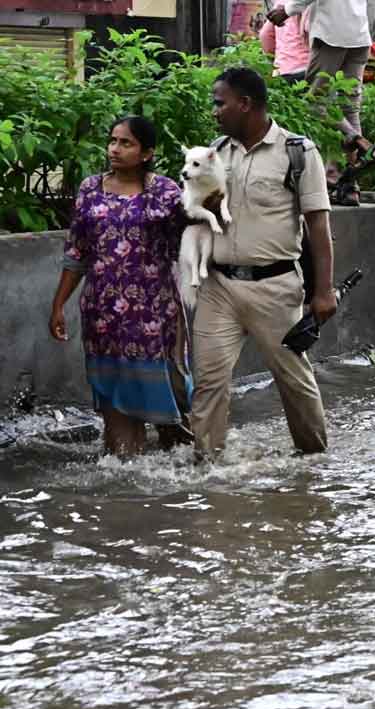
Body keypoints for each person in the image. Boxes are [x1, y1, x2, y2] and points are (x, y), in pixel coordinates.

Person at [191, 67, 336, 457]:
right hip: (219, 287)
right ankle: (206, 466)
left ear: (245, 104)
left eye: (220, 103)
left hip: (275, 287)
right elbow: (197, 215)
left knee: (293, 380)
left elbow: (318, 225)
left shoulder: (297, 153)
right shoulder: (215, 153)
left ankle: (314, 462)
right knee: (209, 381)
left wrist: (324, 291)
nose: (215, 111)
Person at [49, 116, 192, 456]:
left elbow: (189, 241)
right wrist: (58, 306)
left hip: (153, 313)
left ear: (147, 153)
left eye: (126, 143)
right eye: (112, 141)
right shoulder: (90, 189)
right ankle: (124, 464)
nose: (114, 149)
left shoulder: (165, 192)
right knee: (117, 423)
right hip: (103, 314)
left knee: (170, 413)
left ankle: (179, 453)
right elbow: (77, 252)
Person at [270, 0, 375, 206]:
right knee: (350, 110)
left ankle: (361, 142)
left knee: (314, 103)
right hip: (360, 37)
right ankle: (348, 188)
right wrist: (360, 26)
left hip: (331, 34)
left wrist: (287, 10)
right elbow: (372, 3)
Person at [259, 3, 311, 82]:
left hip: (280, 71)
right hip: (305, 67)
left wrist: (277, 59)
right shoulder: (306, 4)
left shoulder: (279, 5)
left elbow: (265, 35)